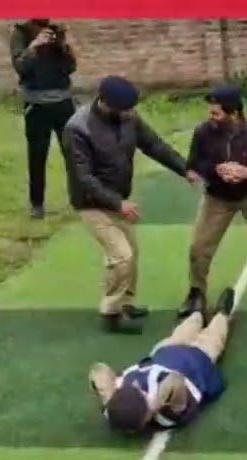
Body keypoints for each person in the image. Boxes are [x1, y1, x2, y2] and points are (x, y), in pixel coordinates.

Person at [63, 75, 200, 334]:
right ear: (103, 102)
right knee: (121, 257)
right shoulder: (78, 128)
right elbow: (83, 178)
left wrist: (184, 169)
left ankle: (126, 303)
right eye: (122, 108)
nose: (127, 113)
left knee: (131, 254)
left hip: (119, 198)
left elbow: (153, 145)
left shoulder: (128, 118)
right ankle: (111, 313)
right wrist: (117, 203)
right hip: (92, 204)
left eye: (129, 108)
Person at [181, 85, 247, 320]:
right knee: (199, 247)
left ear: (234, 114)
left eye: (216, 113)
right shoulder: (202, 133)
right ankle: (196, 293)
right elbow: (195, 163)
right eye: (210, 113)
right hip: (217, 197)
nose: (211, 118)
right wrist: (216, 169)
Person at [89, 288, 235, 433]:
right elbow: (175, 380)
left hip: (164, 354)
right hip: (196, 363)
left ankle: (197, 313)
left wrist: (108, 395)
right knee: (214, 336)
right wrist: (155, 405)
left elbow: (98, 370)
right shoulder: (169, 415)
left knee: (186, 328)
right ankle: (222, 313)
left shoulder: (115, 408)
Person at [9, 19, 77, 220]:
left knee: (73, 153)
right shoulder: (20, 32)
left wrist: (63, 47)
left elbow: (71, 67)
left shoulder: (58, 30)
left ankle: (80, 198)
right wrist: (34, 46)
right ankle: (37, 205)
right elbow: (20, 67)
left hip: (63, 102)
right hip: (36, 104)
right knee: (37, 155)